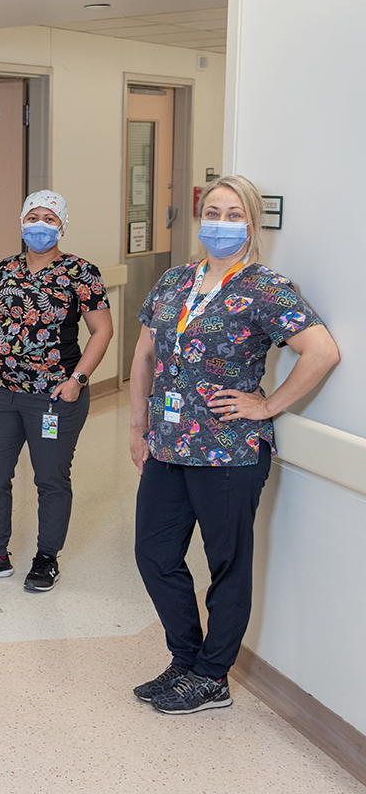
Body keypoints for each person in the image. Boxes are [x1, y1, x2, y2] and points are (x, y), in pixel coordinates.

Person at [129, 175, 338, 714]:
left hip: (230, 450)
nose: (220, 224)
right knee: (153, 551)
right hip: (168, 444)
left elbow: (321, 352)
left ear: (251, 223)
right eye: (213, 211)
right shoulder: (175, 281)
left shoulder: (266, 287)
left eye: (232, 214)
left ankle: (212, 676)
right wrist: (137, 427)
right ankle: (186, 658)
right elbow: (144, 357)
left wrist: (266, 406)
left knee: (228, 562)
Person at [0, 190, 113, 592]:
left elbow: (102, 331)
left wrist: (77, 380)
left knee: (51, 479)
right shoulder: (2, 270)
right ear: (21, 221)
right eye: (33, 216)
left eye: (49, 218)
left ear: (62, 225)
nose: (39, 225)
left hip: (54, 397)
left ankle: (47, 558)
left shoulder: (82, 273)